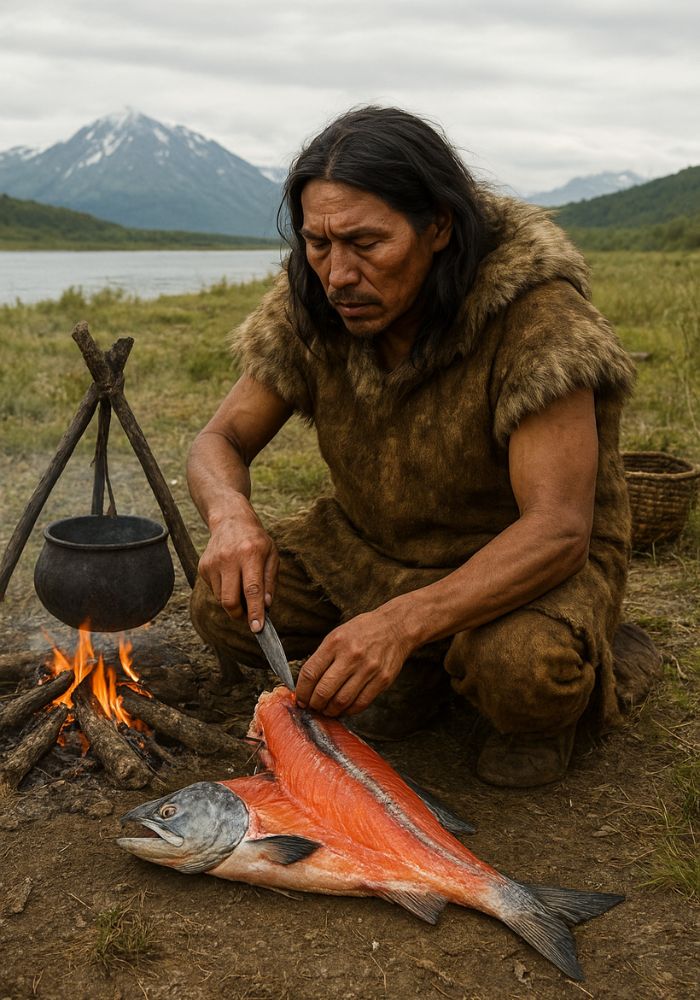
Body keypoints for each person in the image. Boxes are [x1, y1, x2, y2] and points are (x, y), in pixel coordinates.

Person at [187, 106, 635, 788]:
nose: (338, 274)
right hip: (368, 549)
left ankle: (580, 684)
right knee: (225, 604)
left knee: (522, 674)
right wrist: (229, 516)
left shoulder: (538, 318)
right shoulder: (314, 303)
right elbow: (220, 438)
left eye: (367, 243)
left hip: (518, 565)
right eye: (318, 243)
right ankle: (424, 668)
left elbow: (558, 531)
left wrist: (398, 625)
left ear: (438, 228)